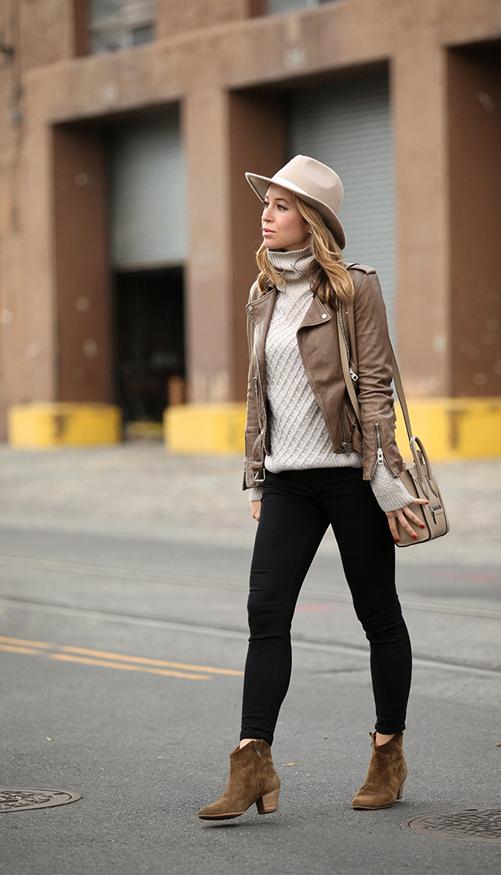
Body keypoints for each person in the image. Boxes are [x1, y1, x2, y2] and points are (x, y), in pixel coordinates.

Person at [197, 155, 429, 821]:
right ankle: (252, 761)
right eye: (266, 205)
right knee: (265, 612)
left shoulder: (355, 289)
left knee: (377, 612)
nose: (266, 217)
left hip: (353, 476)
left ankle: (388, 751)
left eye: (280, 205)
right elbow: (258, 393)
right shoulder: (260, 295)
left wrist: (386, 482)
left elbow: (376, 387)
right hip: (290, 482)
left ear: (313, 221)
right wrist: (257, 472)